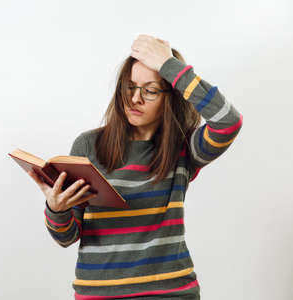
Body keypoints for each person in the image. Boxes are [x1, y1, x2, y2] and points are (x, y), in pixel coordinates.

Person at [28, 34, 243, 299]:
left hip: (170, 293)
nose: (135, 99)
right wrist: (56, 209)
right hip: (99, 294)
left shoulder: (184, 149)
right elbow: (66, 237)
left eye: (150, 90)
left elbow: (228, 121)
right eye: (129, 87)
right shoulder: (88, 145)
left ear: (171, 96)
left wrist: (169, 65)